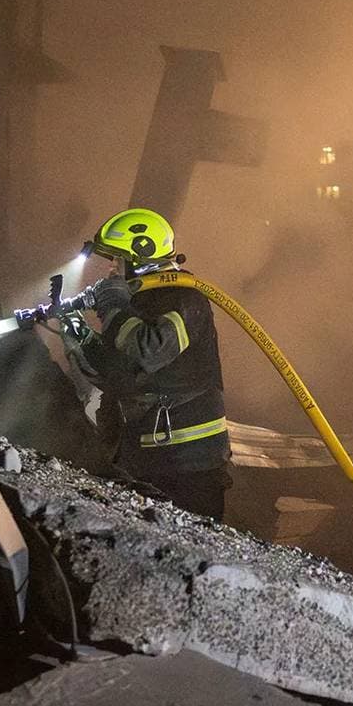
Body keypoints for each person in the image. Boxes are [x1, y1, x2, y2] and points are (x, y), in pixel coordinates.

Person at [63, 207, 231, 520]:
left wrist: (111, 306)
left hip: (190, 464)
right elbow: (119, 372)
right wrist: (80, 335)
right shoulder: (138, 302)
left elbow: (148, 349)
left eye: (118, 260)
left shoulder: (184, 298)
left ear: (142, 255)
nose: (112, 269)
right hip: (145, 455)